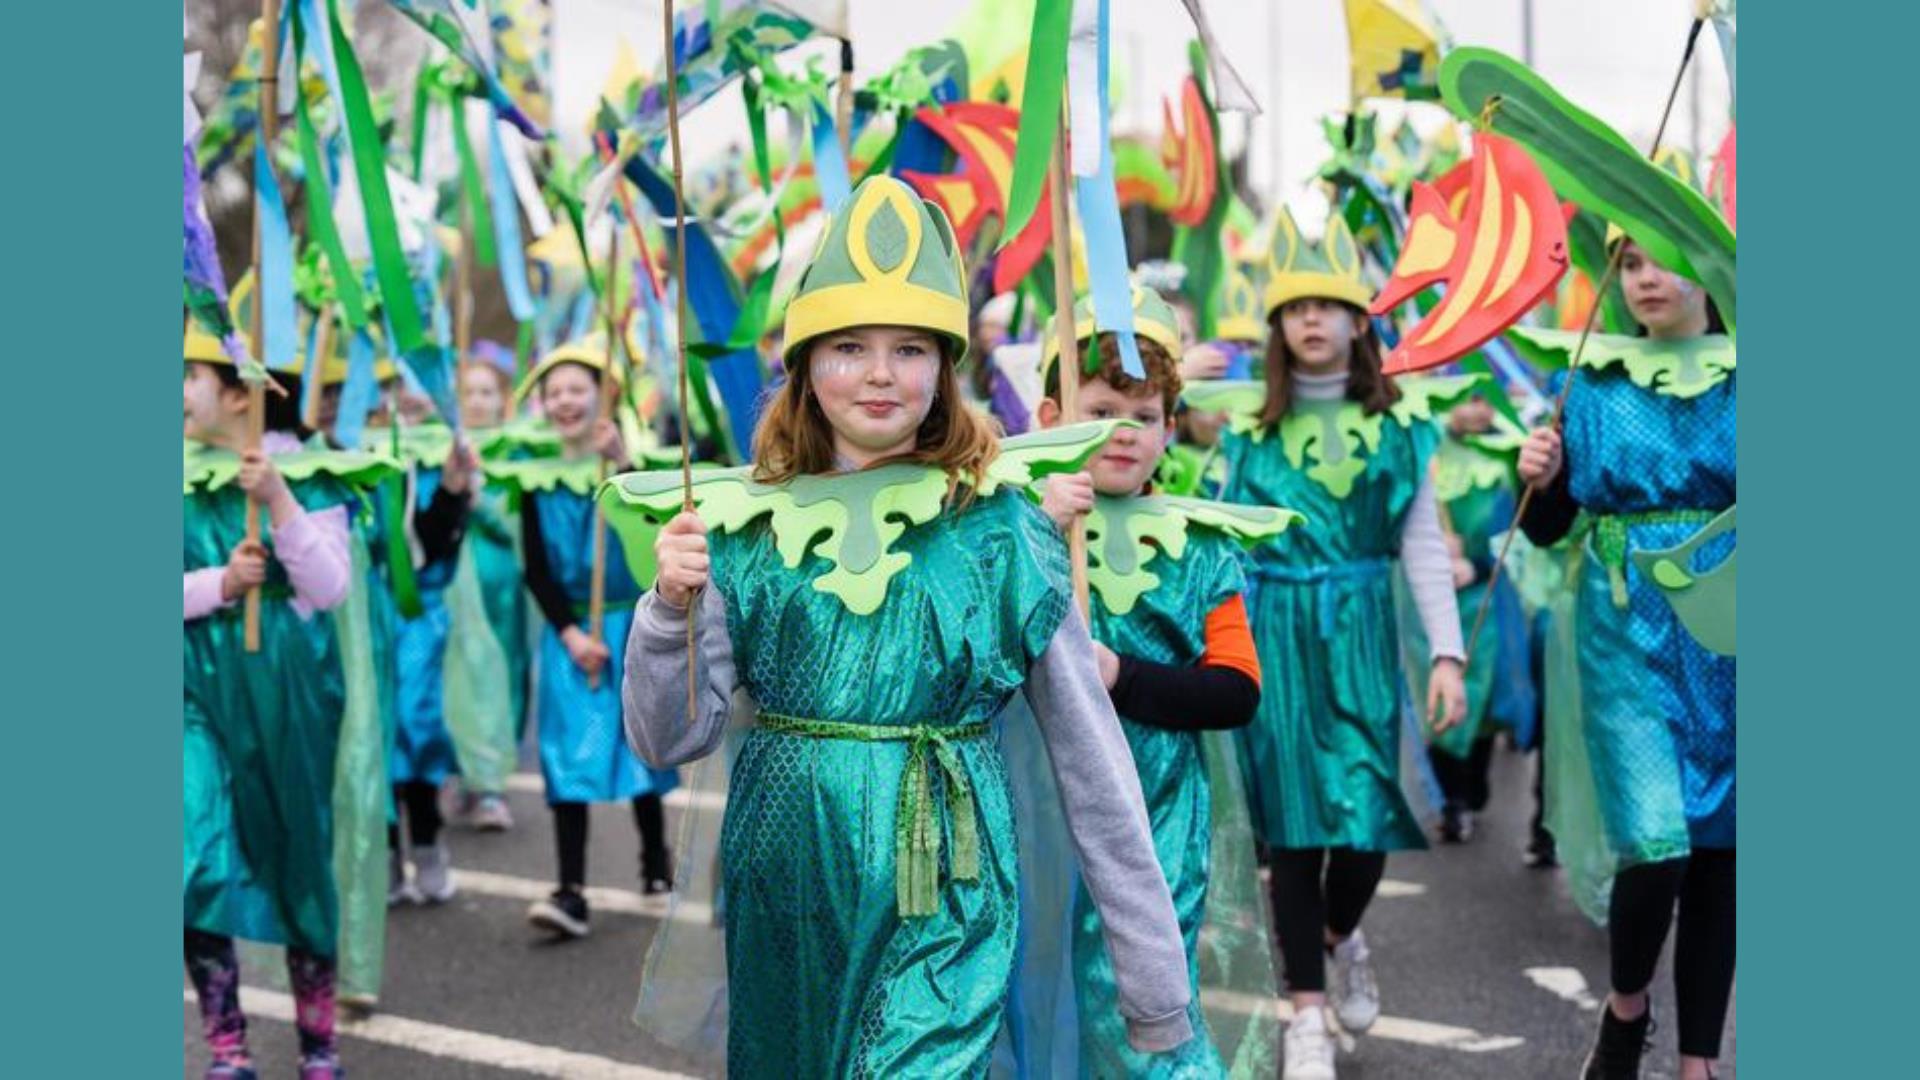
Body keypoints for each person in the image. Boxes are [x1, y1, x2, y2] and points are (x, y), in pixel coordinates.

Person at [622, 176, 1195, 1076]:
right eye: (848, 347)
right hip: (790, 882)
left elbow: (1093, 762)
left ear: (944, 368)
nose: (881, 374)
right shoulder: (744, 528)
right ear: (805, 366)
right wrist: (667, 614)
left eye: (909, 349)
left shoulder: (1006, 533)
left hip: (950, 882)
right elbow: (668, 738)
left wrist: (1154, 979)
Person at [1212, 207, 1466, 1079]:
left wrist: (1447, 653)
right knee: (1290, 831)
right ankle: (1307, 1015)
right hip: (1274, 636)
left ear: (1359, 321)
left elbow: (1423, 545)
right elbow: (1217, 547)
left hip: (1359, 632)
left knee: (1361, 825)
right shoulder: (1245, 436)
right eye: (1293, 309)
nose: (1310, 321)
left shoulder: (1401, 431)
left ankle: (1338, 933)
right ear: (1278, 328)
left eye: (1326, 306)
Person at [1030, 286, 1281, 1077]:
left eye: (1144, 415)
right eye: (1101, 408)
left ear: (1170, 428)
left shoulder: (1201, 544)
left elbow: (1236, 689)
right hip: (1034, 799)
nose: (1123, 432)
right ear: (1049, 418)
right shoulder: (1010, 525)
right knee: (1036, 988)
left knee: (1137, 992)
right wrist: (1036, 530)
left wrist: (1120, 674)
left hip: (1157, 806)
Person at [1517, 238, 1735, 1080]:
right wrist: (1534, 473)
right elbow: (1544, 526)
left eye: (1665, 260)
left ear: (1709, 271)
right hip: (1623, 631)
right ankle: (1626, 1008)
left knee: (1721, 845)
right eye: (1631, 262)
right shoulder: (1591, 384)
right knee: (1659, 839)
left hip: (1729, 628)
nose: (1645, 279)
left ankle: (1697, 1062)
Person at [184, 313, 369, 1080]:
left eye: (188, 376)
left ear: (237, 395)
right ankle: (227, 1044)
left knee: (296, 855)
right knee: (191, 858)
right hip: (194, 689)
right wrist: (218, 585)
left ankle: (317, 1042)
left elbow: (330, 587)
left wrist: (281, 500)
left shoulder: (308, 474)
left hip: (291, 691)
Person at [514, 338, 678, 937]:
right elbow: (535, 566)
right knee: (565, 753)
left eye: (576, 389)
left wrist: (625, 465)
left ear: (603, 397)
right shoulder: (531, 478)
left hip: (627, 622)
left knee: (639, 741)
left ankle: (654, 858)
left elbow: (650, 534)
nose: (564, 401)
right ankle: (571, 888)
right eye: (553, 392)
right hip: (571, 632)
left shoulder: (626, 467)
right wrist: (568, 633)